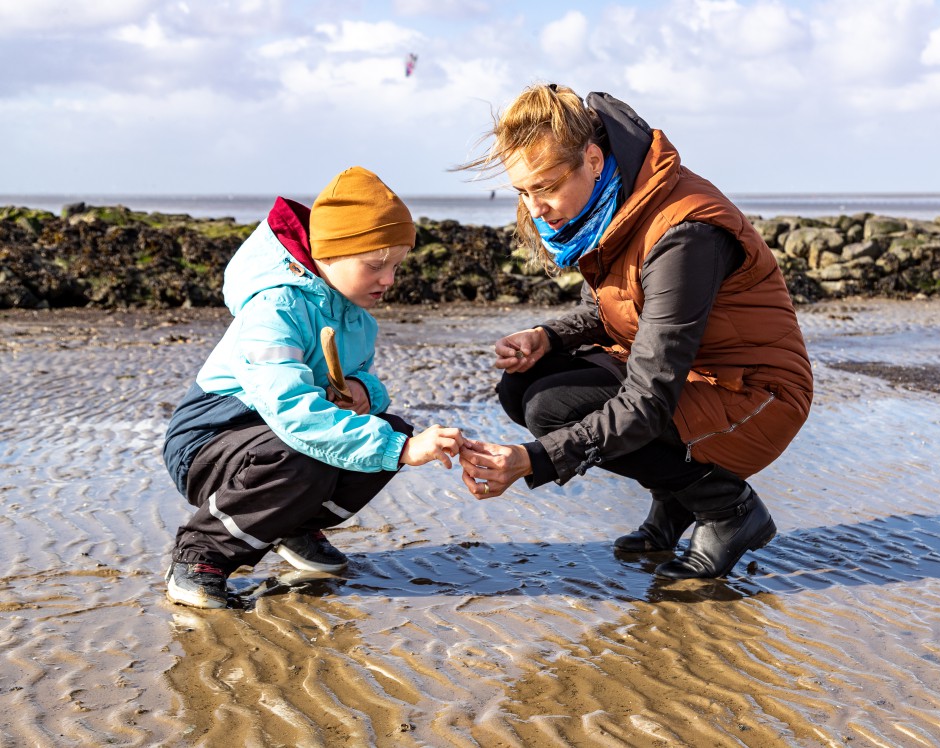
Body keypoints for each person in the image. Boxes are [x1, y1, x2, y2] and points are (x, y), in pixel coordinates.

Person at [456, 84, 813, 580]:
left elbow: (648, 400)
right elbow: (611, 310)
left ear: (594, 160)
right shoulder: (612, 205)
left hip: (755, 394)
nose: (536, 209)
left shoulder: (683, 234)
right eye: (523, 191)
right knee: (523, 386)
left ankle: (728, 510)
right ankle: (676, 499)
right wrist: (549, 337)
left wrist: (533, 461)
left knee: (552, 410)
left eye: (546, 187)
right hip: (691, 375)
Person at [162, 166, 464, 608]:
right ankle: (200, 555)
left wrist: (362, 391)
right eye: (376, 265)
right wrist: (400, 449)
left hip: (272, 440)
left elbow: (359, 390)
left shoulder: (357, 320)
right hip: (208, 440)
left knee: (387, 427)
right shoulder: (274, 306)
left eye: (397, 266)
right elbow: (291, 410)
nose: (389, 280)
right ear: (329, 253)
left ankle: (291, 526)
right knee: (342, 449)